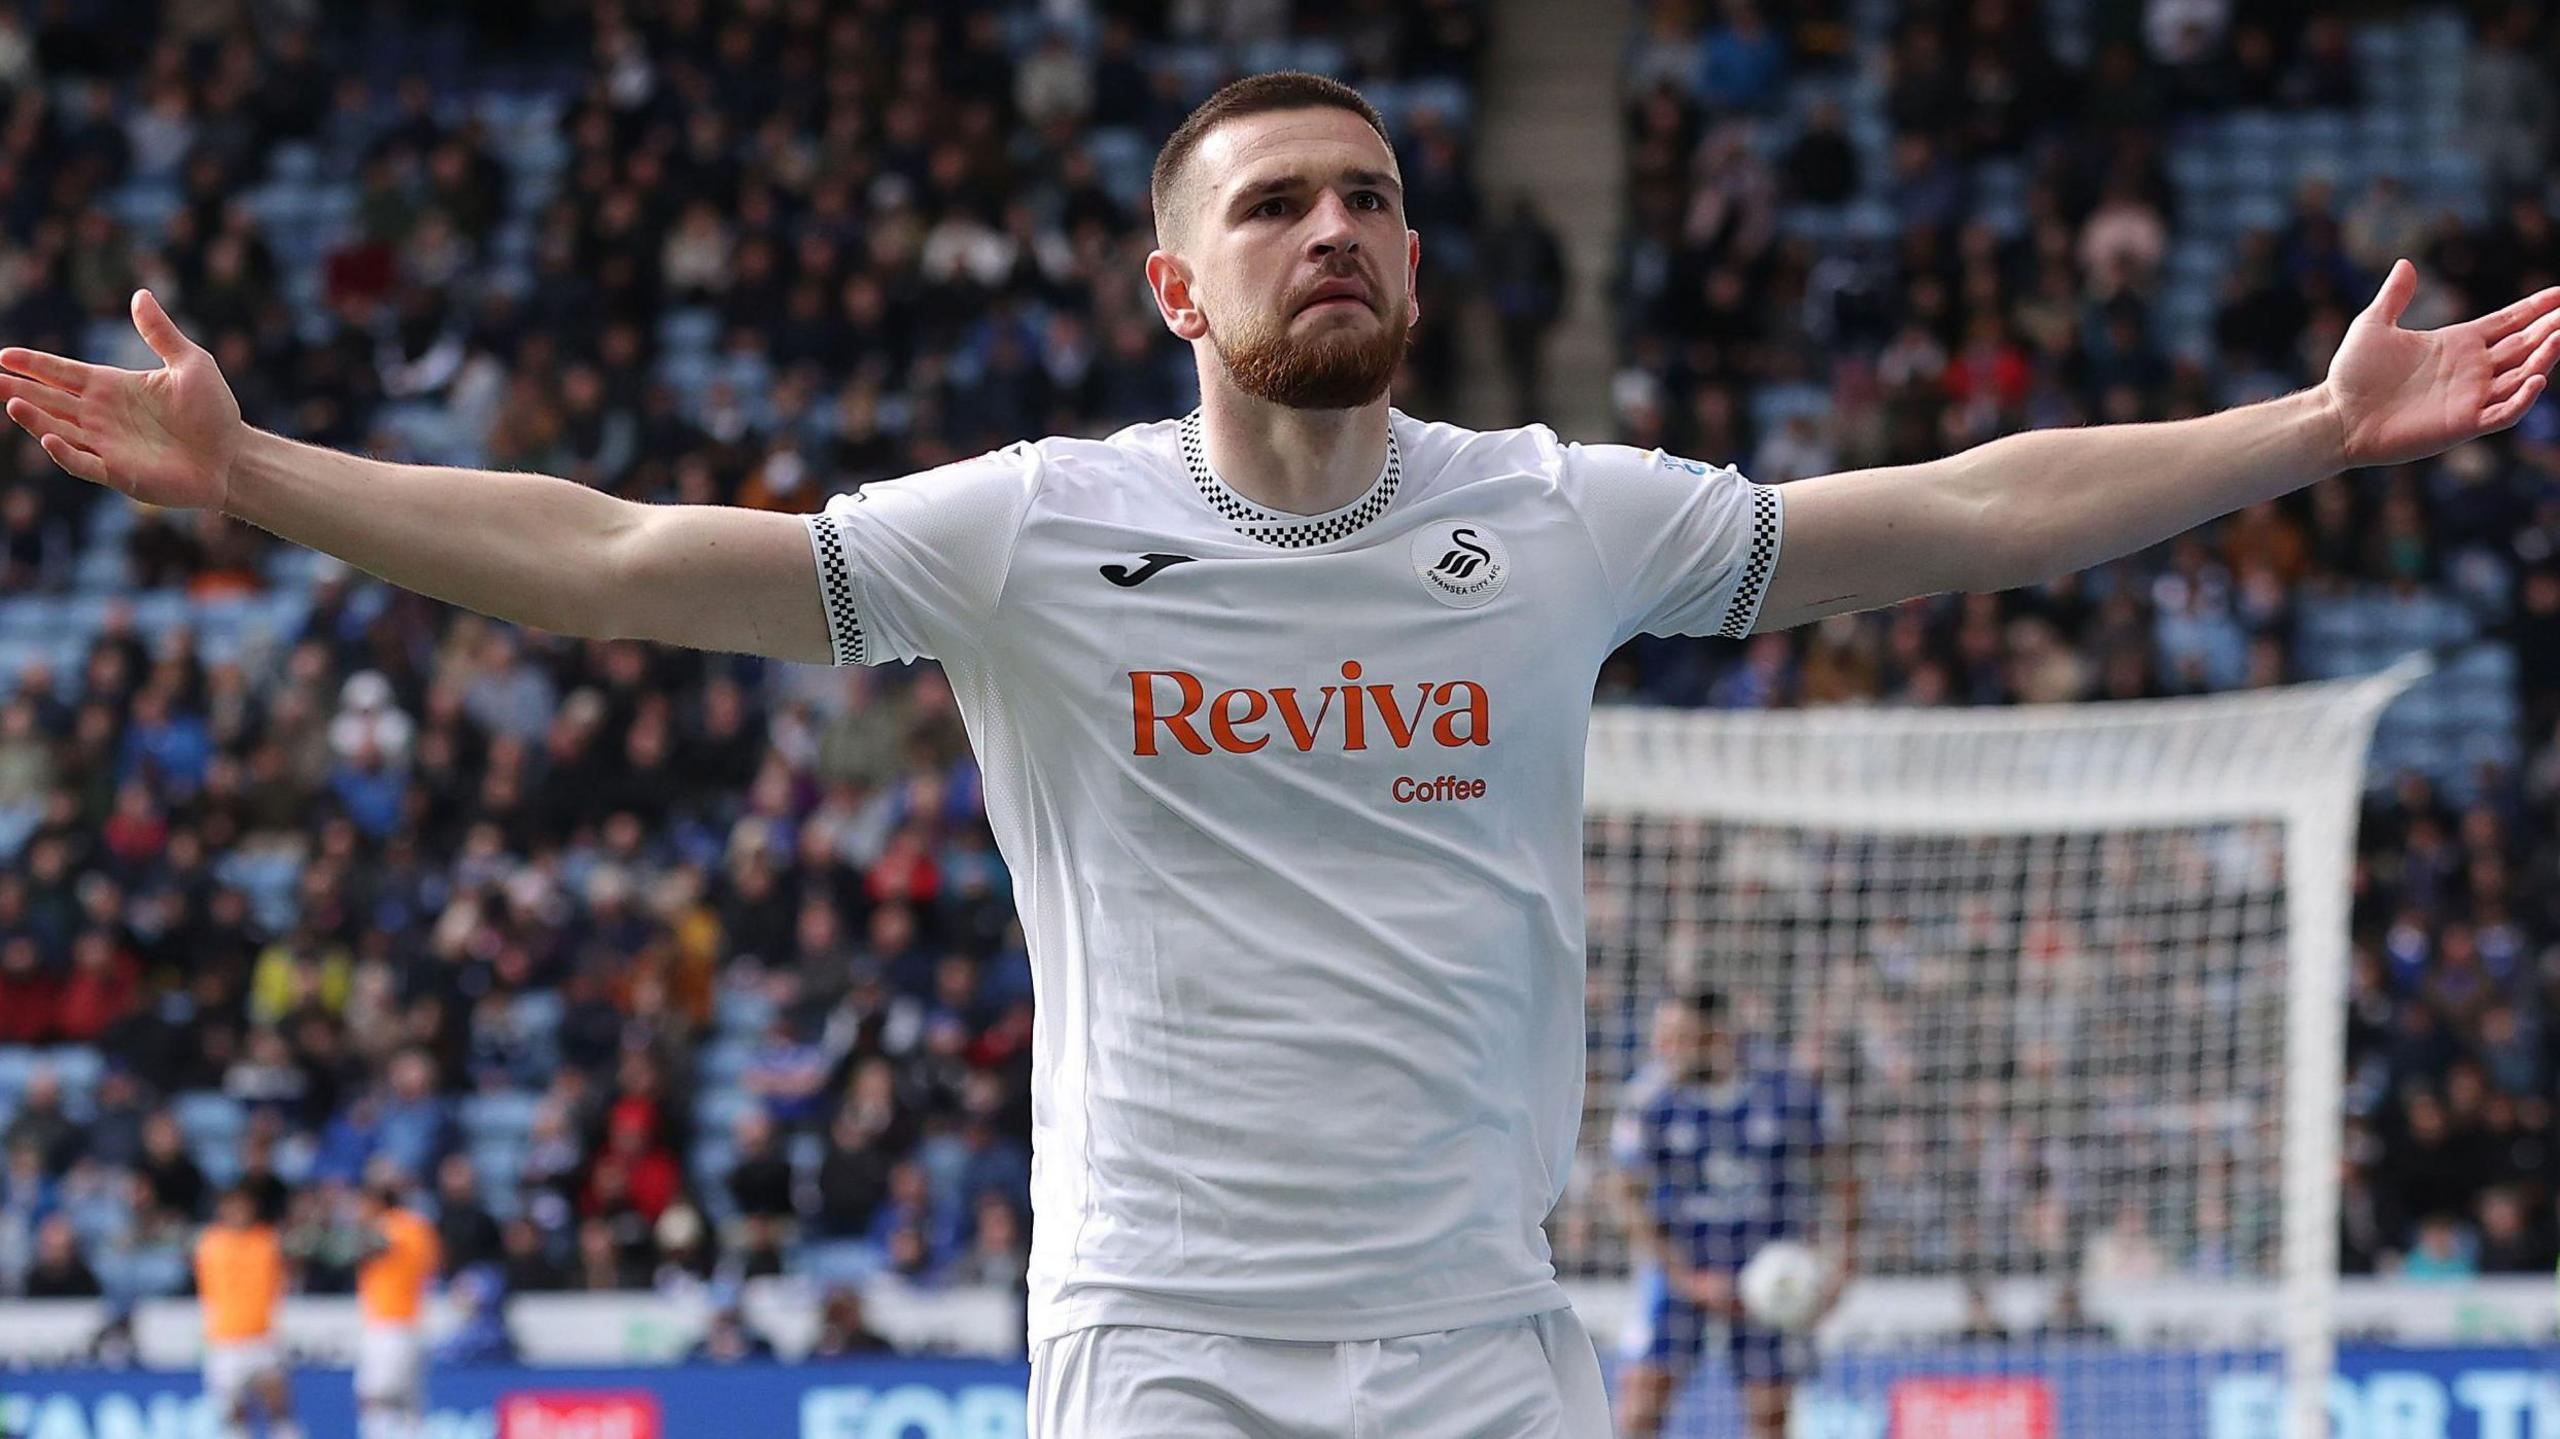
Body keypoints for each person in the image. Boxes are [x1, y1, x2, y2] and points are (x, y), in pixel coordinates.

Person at [6, 68, 2555, 1439]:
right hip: (1161, 1335)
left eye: (1365, 200)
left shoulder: (1567, 519)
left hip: (1476, 1331)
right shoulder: (1020, 533)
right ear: (1169, 281)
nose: (1328, 230)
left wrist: (2297, 437)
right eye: (1272, 207)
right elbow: (602, 548)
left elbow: (1970, 509)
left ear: (1421, 263)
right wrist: (254, 474)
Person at [1609, 991, 1854, 1439]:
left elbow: (1843, 1178)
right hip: (1681, 1270)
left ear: (1716, 1038)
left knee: (1769, 1413)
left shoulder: (1787, 1090)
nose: (1664, 1049)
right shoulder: (1650, 1099)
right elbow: (1625, 1195)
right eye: (1661, 1036)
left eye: (1677, 1038)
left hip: (1769, 1276)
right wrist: (1686, 1279)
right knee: (1642, 1401)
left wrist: (1841, 1270)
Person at [194, 1184, 303, 1439]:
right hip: (224, 1340)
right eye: (231, 1205)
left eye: (242, 1205)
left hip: (262, 1335)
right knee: (233, 1414)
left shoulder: (267, 1241)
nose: (237, 1212)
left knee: (279, 1407)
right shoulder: (210, 1243)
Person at [353, 1181, 442, 1439]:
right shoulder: (419, 1227)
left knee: (375, 1398)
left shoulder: (385, 1228)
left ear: (377, 1203)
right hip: (412, 1322)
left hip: (387, 1326)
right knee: (411, 1404)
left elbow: (366, 1248)